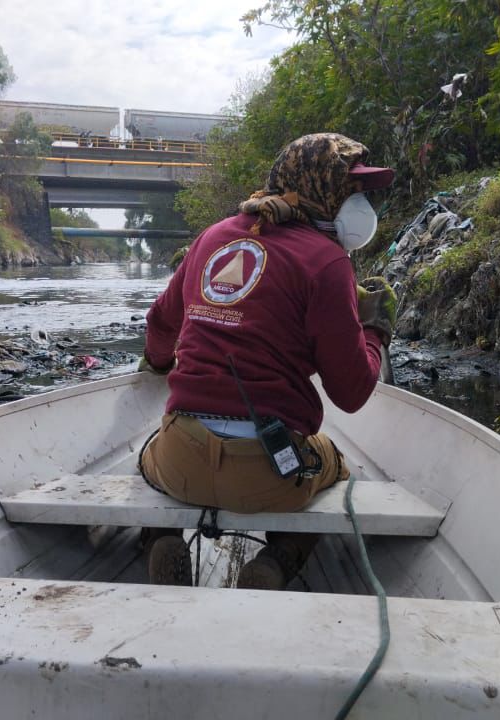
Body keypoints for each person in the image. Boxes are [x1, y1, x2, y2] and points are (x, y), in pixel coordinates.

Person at [137, 133, 398, 590]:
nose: (361, 203)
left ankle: (161, 538)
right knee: (335, 465)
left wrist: (158, 365)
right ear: (323, 191)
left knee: (145, 456)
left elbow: (161, 323)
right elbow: (352, 393)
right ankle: (276, 563)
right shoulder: (327, 262)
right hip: (270, 475)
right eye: (353, 191)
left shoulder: (211, 239)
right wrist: (375, 332)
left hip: (182, 460)